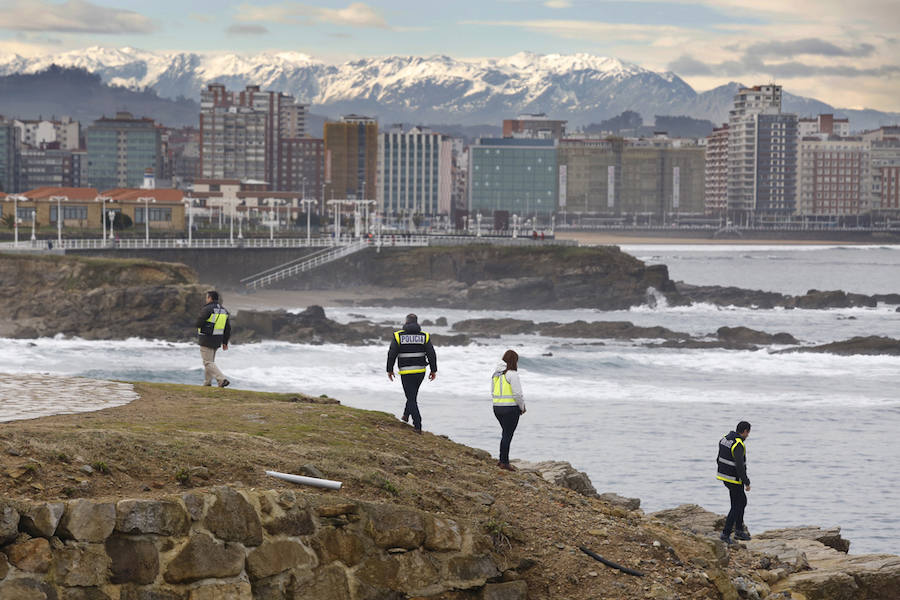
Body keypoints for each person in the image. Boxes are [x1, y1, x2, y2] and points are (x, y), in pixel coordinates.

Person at [386, 314, 437, 433]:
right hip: (420, 372)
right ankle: (405, 415)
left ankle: (418, 425)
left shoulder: (398, 336)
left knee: (411, 398)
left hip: (406, 372)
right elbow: (431, 354)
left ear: (406, 322)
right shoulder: (424, 336)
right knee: (412, 396)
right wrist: (433, 370)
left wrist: (389, 369)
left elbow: (392, 354)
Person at [716, 421, 752, 544]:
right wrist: (746, 481)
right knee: (739, 503)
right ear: (745, 431)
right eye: (748, 433)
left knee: (738, 502)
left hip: (724, 476)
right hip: (734, 478)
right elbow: (740, 466)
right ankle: (726, 533)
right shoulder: (738, 444)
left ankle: (739, 530)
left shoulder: (725, 439)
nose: (748, 436)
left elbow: (718, 457)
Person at [492, 349, 526, 471]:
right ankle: (504, 462)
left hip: (497, 408)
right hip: (510, 409)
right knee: (507, 435)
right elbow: (517, 394)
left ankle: (502, 460)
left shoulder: (496, 374)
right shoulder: (512, 374)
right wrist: (522, 407)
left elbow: (492, 391)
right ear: (514, 361)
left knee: (505, 433)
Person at [195, 290, 231, 388]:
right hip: (217, 340)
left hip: (206, 339)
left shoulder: (207, 309)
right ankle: (207, 383)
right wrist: (225, 342)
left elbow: (198, 323)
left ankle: (222, 379)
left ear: (210, 298)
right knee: (210, 362)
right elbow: (227, 328)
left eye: (207, 297)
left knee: (207, 362)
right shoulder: (224, 310)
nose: (206, 299)